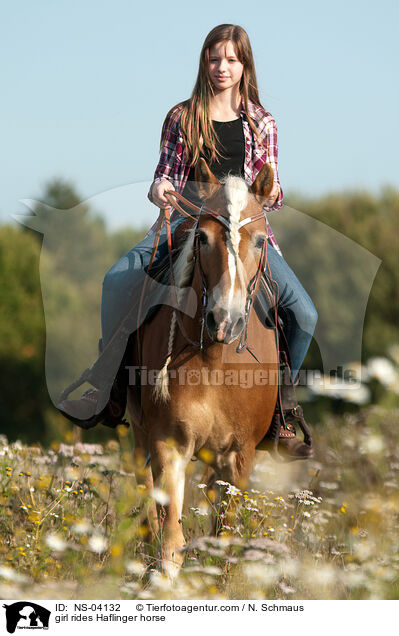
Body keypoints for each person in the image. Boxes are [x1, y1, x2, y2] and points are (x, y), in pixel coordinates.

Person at [58, 24, 317, 460]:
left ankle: (280, 408)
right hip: (187, 226)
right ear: (205, 62)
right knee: (115, 281)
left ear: (244, 66)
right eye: (215, 58)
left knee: (304, 313)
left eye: (231, 60)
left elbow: (273, 189)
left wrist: (271, 193)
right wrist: (159, 188)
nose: (222, 67)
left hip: (245, 235)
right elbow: (166, 175)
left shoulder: (262, 122)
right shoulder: (182, 116)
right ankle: (111, 388)